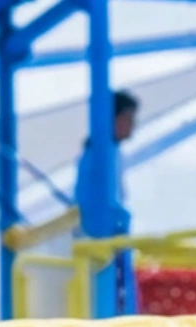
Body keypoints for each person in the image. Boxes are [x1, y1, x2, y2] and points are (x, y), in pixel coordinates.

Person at [74, 89, 139, 314]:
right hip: (104, 243)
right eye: (127, 118)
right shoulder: (102, 154)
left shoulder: (104, 153)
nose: (132, 124)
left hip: (104, 241)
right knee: (115, 304)